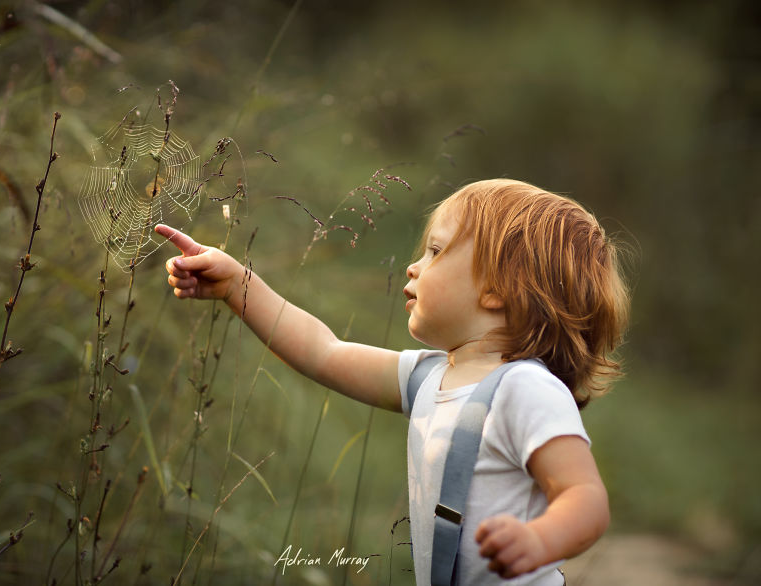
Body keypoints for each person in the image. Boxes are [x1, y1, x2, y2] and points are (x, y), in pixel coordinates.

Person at [155, 178, 630, 585]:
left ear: (497, 289)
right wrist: (238, 285)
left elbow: (586, 499)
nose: (413, 265)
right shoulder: (428, 377)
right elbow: (323, 352)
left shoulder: (526, 389)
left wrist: (538, 540)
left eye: (436, 251)